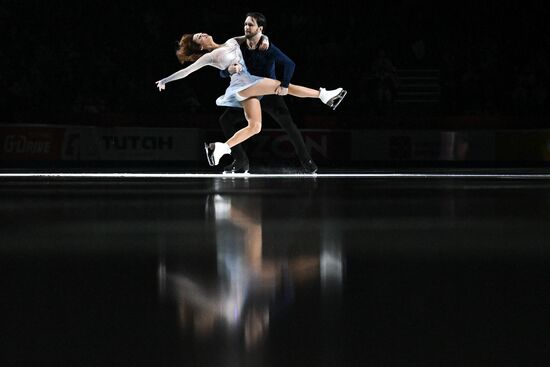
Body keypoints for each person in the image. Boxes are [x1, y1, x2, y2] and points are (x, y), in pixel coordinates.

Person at [155, 31, 347, 170]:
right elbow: (186, 72)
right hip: (242, 85)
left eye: (201, 33)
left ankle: (220, 148)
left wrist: (265, 39)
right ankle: (324, 95)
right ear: (200, 46)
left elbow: (251, 37)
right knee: (280, 85)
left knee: (255, 126)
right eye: (199, 37)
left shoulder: (231, 41)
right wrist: (165, 80)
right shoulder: (210, 56)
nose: (203, 34)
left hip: (248, 83)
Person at [218, 12, 318, 174]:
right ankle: (241, 160)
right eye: (245, 24)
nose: (246, 27)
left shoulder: (267, 47)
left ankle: (307, 161)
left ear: (260, 29)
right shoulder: (238, 48)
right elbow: (222, 72)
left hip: (269, 95)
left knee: (289, 125)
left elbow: (289, 64)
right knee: (225, 120)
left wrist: (284, 85)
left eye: (250, 24)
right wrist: (228, 70)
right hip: (249, 95)